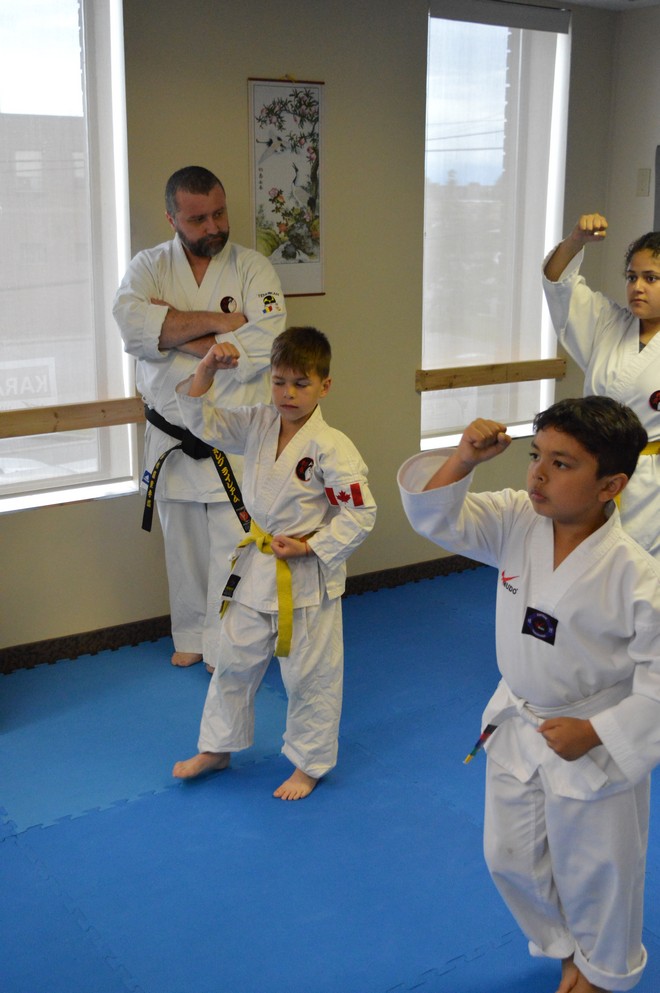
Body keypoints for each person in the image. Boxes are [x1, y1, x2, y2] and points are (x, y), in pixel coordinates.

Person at [397, 396, 660, 993]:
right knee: (508, 856)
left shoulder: (636, 575)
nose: (537, 474)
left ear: (611, 485)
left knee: (599, 868)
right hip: (519, 722)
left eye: (561, 464)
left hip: (593, 738)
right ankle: (564, 947)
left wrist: (596, 732)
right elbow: (437, 518)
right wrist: (465, 459)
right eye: (536, 456)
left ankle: (604, 971)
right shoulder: (517, 519)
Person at [172, 326, 376, 800]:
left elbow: (361, 513)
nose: (288, 393)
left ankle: (309, 764)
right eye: (279, 381)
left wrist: (309, 547)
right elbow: (202, 421)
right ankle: (217, 747)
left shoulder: (333, 446)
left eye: (301, 384)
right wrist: (206, 368)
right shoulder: (259, 423)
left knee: (309, 677)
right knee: (232, 662)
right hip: (258, 567)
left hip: (306, 577)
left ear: (324, 386)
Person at [113, 166, 286, 670]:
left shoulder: (254, 269)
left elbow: (267, 340)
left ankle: (224, 643)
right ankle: (190, 635)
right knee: (183, 545)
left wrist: (171, 331)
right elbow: (132, 328)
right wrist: (220, 325)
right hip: (171, 437)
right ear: (172, 218)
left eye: (219, 213)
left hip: (232, 436)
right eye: (198, 219)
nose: (213, 226)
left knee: (234, 547)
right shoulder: (147, 267)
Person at [543, 213, 660, 560]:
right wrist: (576, 239)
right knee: (586, 558)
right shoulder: (607, 324)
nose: (637, 287)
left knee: (639, 566)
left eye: (651, 278)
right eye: (632, 277)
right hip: (592, 467)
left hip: (649, 481)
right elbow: (558, 282)